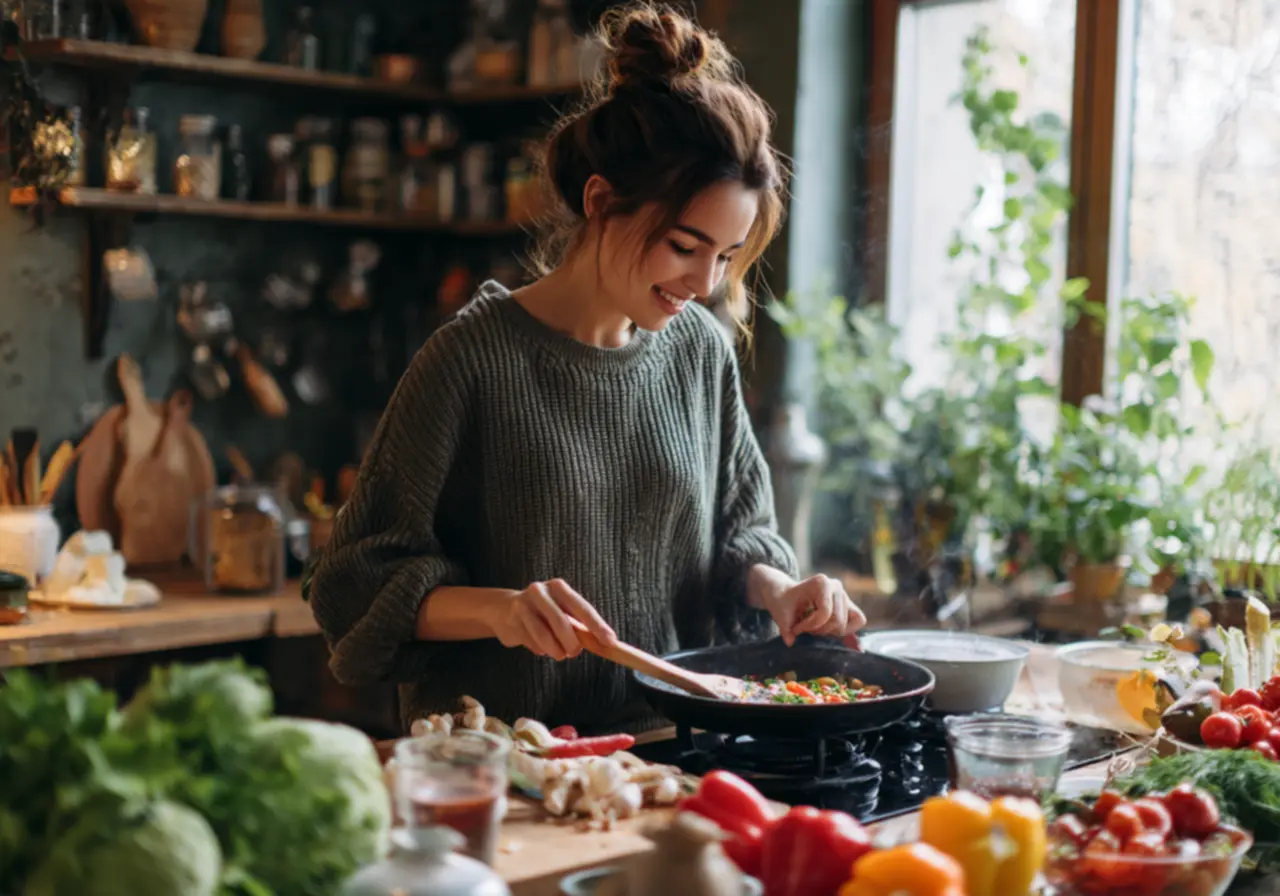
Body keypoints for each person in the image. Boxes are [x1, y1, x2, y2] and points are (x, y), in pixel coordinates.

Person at [306, 1, 867, 735]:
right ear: (601, 201)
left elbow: (737, 539)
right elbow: (351, 584)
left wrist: (782, 589)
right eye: (683, 246)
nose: (704, 283)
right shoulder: (471, 359)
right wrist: (503, 611)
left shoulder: (699, 351)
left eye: (726, 257)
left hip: (673, 753)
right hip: (512, 765)